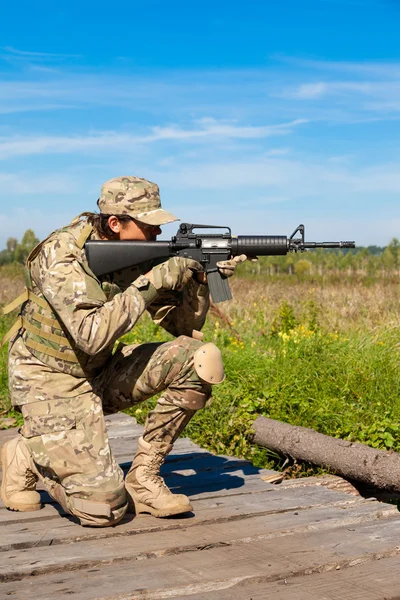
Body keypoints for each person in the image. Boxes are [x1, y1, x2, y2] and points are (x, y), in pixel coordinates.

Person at [0, 176, 245, 527]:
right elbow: (90, 335)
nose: (158, 236)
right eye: (149, 227)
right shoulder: (62, 254)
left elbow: (181, 326)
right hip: (50, 380)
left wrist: (203, 280)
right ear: (115, 224)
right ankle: (27, 453)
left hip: (98, 372)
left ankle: (144, 477)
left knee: (198, 358)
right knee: (105, 509)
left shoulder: (140, 254)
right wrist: (156, 280)